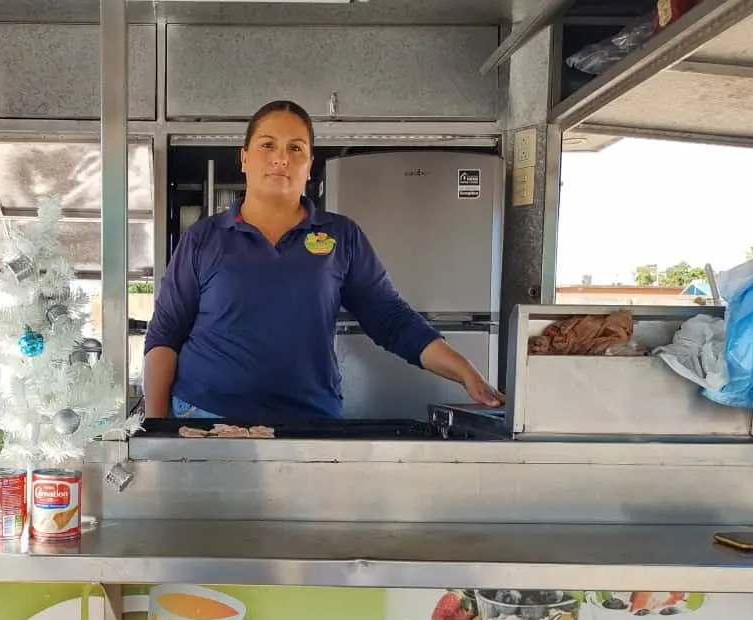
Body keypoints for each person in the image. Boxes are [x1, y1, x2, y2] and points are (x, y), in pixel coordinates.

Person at [142, 99, 505, 421]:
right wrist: (154, 434)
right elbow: (164, 336)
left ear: (309, 164)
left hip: (309, 424)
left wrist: (465, 370)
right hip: (206, 419)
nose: (281, 158)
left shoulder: (341, 236)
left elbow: (392, 320)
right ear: (245, 157)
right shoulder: (203, 239)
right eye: (267, 145)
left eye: (295, 148)